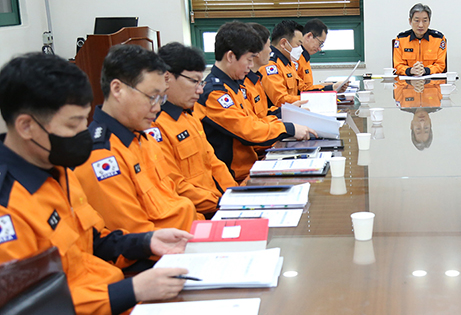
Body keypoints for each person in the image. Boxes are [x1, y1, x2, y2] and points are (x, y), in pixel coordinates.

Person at [0, 53, 191, 315]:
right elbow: (29, 314)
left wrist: (145, 241)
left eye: (84, 119)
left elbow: (93, 242)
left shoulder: (57, 169)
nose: (83, 132)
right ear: (26, 126)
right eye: (73, 124)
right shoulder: (8, 207)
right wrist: (130, 290)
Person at [73, 45, 201, 264]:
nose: (157, 108)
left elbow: (173, 199)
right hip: (159, 260)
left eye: (161, 98)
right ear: (117, 89)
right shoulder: (102, 156)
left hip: (188, 238)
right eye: (152, 97)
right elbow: (135, 239)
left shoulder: (142, 137)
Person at [194, 21, 315, 182]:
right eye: (249, 59)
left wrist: (286, 115)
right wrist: (289, 128)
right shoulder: (215, 93)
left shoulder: (234, 85)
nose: (251, 65)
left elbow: (256, 120)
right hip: (236, 178)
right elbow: (248, 130)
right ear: (230, 57)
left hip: (253, 166)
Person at [151, 42, 238, 216]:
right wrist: (221, 203)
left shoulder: (189, 116)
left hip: (220, 205)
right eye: (194, 82)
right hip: (197, 213)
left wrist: (235, 195)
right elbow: (176, 186)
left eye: (201, 82)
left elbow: (214, 164)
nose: (199, 90)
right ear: (167, 78)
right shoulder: (155, 126)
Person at [260, 20, 338, 109]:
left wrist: (329, 89)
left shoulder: (289, 64)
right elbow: (280, 100)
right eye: (298, 44)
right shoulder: (270, 66)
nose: (300, 49)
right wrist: (314, 99)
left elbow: (303, 88)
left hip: (294, 111)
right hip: (280, 115)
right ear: (283, 43)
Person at [393, 3, 447, 76]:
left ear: (429, 22)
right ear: (410, 21)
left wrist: (425, 70)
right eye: (417, 20)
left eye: (425, 21)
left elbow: (441, 65)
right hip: (407, 81)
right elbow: (397, 66)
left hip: (432, 81)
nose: (421, 25)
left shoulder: (438, 39)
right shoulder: (401, 39)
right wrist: (410, 70)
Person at [296, 18, 346, 91]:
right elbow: (301, 91)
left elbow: (307, 87)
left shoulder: (305, 57)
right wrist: (331, 88)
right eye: (320, 43)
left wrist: (327, 86)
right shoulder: (295, 58)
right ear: (309, 36)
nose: (319, 49)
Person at [241, 22, 276, 119]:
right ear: (257, 51)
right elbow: (252, 124)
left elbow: (264, 113)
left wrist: (287, 111)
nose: (270, 50)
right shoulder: (242, 83)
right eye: (268, 46)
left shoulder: (256, 78)